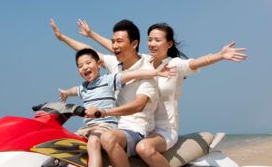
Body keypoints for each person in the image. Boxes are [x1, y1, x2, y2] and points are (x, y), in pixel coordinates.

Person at [74, 20, 247, 167]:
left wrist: (219, 55)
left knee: (144, 148)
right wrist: (91, 35)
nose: (152, 44)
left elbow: (195, 63)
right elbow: (120, 48)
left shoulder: (174, 65)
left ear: (169, 44)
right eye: (150, 40)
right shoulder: (145, 62)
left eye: (157, 40)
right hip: (142, 126)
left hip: (164, 129)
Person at [51, 19, 160, 167]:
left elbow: (138, 104)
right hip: (111, 125)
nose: (114, 46)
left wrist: (104, 112)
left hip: (134, 129)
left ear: (134, 44)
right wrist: (63, 38)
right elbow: (89, 53)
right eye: (113, 42)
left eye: (119, 42)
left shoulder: (144, 71)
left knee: (104, 139)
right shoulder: (114, 65)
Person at [58, 48, 175, 167]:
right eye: (80, 66)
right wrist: (66, 93)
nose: (85, 67)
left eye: (88, 63)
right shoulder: (83, 88)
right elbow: (74, 90)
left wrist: (155, 72)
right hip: (88, 127)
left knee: (93, 141)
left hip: (104, 125)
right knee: (65, 141)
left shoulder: (108, 80)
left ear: (99, 64)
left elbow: (132, 74)